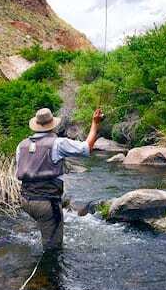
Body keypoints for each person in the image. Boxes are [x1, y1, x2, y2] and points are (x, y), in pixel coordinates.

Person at [16, 107, 103, 250]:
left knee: (44, 227)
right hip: (46, 203)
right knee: (53, 248)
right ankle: (48, 270)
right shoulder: (57, 143)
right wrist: (95, 123)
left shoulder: (22, 145)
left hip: (25, 201)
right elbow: (86, 148)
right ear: (52, 125)